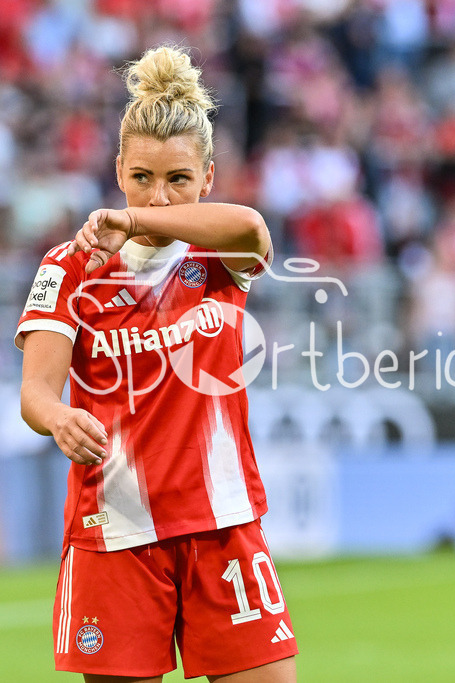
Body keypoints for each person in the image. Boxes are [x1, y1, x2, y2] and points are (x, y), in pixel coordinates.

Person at [16, 46, 297, 682]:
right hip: (115, 531)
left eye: (178, 179)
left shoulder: (219, 253)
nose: (160, 197)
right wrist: (58, 418)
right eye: (141, 177)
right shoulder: (70, 265)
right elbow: (35, 392)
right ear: (118, 168)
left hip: (222, 525)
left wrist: (134, 217)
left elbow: (253, 228)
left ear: (208, 178)